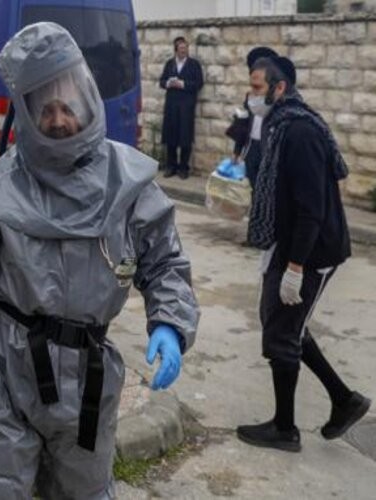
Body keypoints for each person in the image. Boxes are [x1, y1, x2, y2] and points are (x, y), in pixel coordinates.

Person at [0, 23, 199, 498]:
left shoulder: (127, 183)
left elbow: (165, 263)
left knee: (85, 490)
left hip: (88, 376)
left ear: (87, 95)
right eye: (44, 109)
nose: (58, 119)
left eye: (67, 104)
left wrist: (170, 323)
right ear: (26, 113)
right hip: (4, 368)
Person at [237, 56, 371, 452]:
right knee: (280, 321)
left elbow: (312, 208)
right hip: (289, 242)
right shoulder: (277, 125)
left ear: (279, 89)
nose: (251, 95)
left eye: (257, 87)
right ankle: (344, 400)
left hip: (312, 251)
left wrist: (294, 267)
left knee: (282, 331)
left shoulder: (300, 131)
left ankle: (285, 429)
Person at [228, 47, 279, 189]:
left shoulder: (279, 101)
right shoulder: (250, 96)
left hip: (268, 151)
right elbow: (243, 125)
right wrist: (236, 152)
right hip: (251, 149)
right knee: (251, 187)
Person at [159, 36, 204, 179]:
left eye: (185, 48)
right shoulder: (170, 64)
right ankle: (171, 166)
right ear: (176, 50)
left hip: (186, 106)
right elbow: (161, 81)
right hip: (171, 105)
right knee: (171, 136)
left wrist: (183, 84)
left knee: (185, 137)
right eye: (181, 48)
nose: (184, 51)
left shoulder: (194, 64)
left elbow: (199, 83)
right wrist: (168, 83)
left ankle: (183, 168)